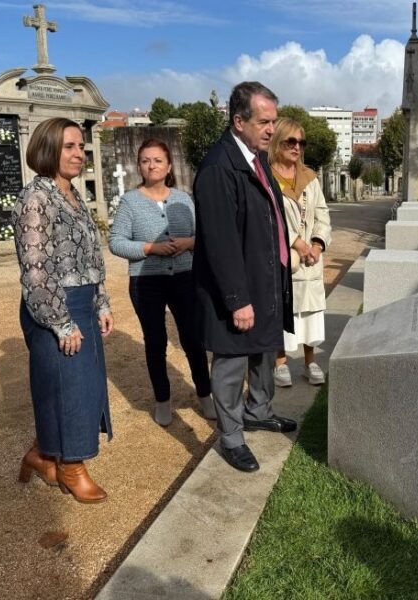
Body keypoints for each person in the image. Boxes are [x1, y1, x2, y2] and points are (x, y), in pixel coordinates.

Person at [192, 81, 296, 473]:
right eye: (264, 122)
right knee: (232, 362)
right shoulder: (219, 168)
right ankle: (232, 437)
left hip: (264, 280)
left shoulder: (256, 158)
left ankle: (259, 411)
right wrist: (237, 299)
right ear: (239, 121)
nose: (272, 129)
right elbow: (220, 242)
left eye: (273, 121)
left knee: (264, 354)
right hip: (239, 291)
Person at [12, 117, 114, 504]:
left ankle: (41, 455)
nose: (79, 153)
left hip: (83, 302)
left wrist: (101, 301)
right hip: (55, 308)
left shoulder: (72, 195)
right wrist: (61, 321)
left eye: (81, 146)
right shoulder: (35, 198)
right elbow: (36, 270)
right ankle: (72, 467)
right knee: (68, 391)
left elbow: (91, 258)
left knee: (81, 387)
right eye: (70, 146)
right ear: (48, 149)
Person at [109, 139, 213, 426]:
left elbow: (204, 237)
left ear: (168, 166)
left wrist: (189, 242)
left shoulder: (183, 199)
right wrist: (150, 249)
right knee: (155, 342)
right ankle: (163, 399)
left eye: (157, 160)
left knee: (193, 339)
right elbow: (115, 242)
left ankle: (205, 394)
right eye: (145, 160)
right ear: (139, 166)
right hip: (146, 282)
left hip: (184, 277)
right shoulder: (130, 201)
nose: (151, 165)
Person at [268, 117, 332, 387]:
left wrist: (316, 245)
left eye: (301, 142)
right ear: (277, 141)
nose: (296, 147)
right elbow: (269, 218)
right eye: (290, 141)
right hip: (285, 256)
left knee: (311, 312)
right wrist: (297, 242)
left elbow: (322, 214)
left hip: (311, 259)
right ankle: (280, 362)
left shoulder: (309, 178)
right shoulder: (267, 176)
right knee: (285, 309)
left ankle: (310, 362)